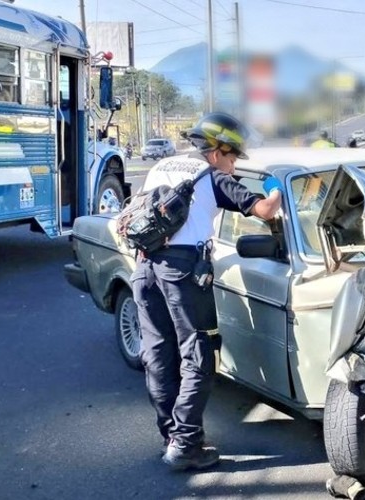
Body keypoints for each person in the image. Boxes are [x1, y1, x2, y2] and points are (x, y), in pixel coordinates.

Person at [132, 111, 282, 472]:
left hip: (145, 270)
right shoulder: (212, 175)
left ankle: (171, 435)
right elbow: (264, 209)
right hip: (182, 274)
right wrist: (276, 187)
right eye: (232, 158)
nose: (233, 166)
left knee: (158, 354)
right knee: (199, 354)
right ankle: (185, 444)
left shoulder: (163, 167)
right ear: (216, 151)